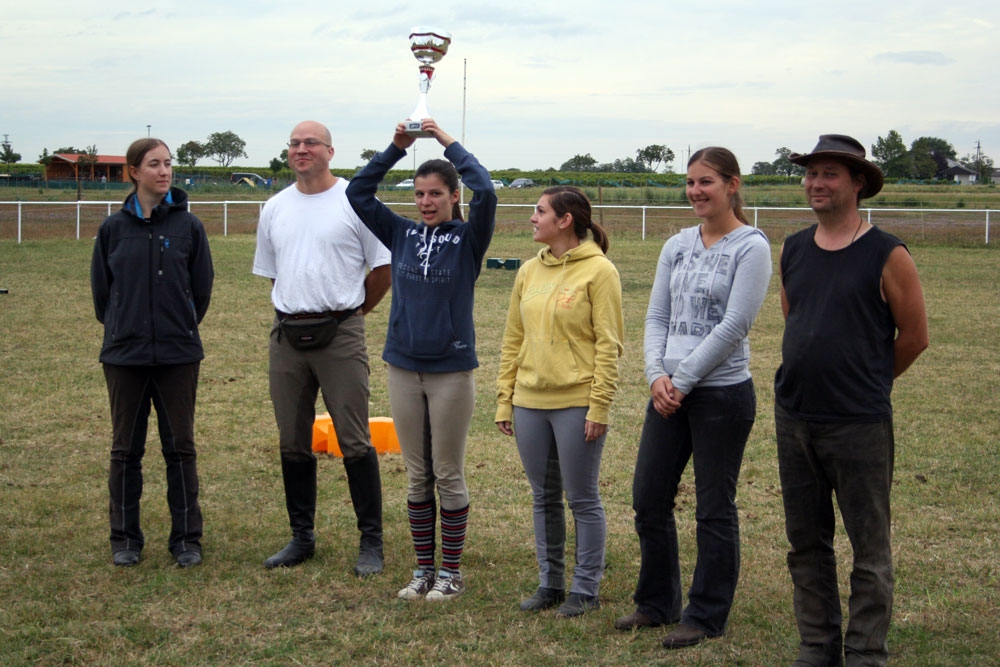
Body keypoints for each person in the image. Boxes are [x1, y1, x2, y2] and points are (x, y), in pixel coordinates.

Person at [774, 135, 928, 667]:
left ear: (857, 183)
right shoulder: (793, 248)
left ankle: (865, 651)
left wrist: (868, 383)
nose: (816, 183)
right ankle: (817, 646)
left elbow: (914, 335)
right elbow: (793, 317)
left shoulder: (888, 253)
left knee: (870, 547)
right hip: (794, 416)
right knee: (806, 544)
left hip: (859, 422)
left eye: (830, 174)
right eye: (811, 173)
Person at [613, 147, 772, 648]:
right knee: (648, 499)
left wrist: (683, 382)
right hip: (667, 393)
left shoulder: (752, 246)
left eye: (707, 182)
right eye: (691, 182)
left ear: (732, 185)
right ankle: (657, 603)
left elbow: (735, 325)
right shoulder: (677, 244)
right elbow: (657, 316)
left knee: (712, 507)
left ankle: (704, 615)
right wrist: (655, 374)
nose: (696, 191)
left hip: (720, 396)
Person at [346, 118, 497, 601]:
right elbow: (359, 193)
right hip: (403, 367)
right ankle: (423, 571)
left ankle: (451, 574)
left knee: (447, 471)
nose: (426, 202)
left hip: (451, 371)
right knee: (416, 473)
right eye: (419, 194)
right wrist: (396, 147)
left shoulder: (469, 240)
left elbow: (487, 191)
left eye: (436, 193)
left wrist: (446, 142)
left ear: (454, 196)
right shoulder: (402, 233)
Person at [252, 120, 392, 577]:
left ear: (331, 151)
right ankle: (301, 537)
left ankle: (371, 542)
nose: (301, 149)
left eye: (310, 142)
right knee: (293, 440)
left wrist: (351, 316)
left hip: (342, 333)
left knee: (354, 440)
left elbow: (382, 268)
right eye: (293, 143)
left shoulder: (356, 202)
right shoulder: (274, 208)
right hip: (288, 336)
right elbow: (276, 274)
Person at [495, 186, 624, 618]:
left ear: (565, 220)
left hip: (576, 403)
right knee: (542, 496)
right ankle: (549, 583)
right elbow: (514, 339)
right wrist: (505, 399)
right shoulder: (528, 271)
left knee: (582, 498)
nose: (533, 218)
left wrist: (599, 406)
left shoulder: (600, 272)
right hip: (529, 401)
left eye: (539, 211)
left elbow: (609, 345)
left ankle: (584, 589)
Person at [91, 137, 214, 568]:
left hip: (178, 355)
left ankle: (186, 539)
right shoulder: (112, 229)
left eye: (168, 164)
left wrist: (174, 326)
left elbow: (200, 292)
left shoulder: (189, 227)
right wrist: (128, 327)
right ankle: (125, 538)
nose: (164, 171)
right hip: (124, 356)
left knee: (180, 447)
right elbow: (102, 296)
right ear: (133, 172)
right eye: (154, 164)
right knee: (126, 450)